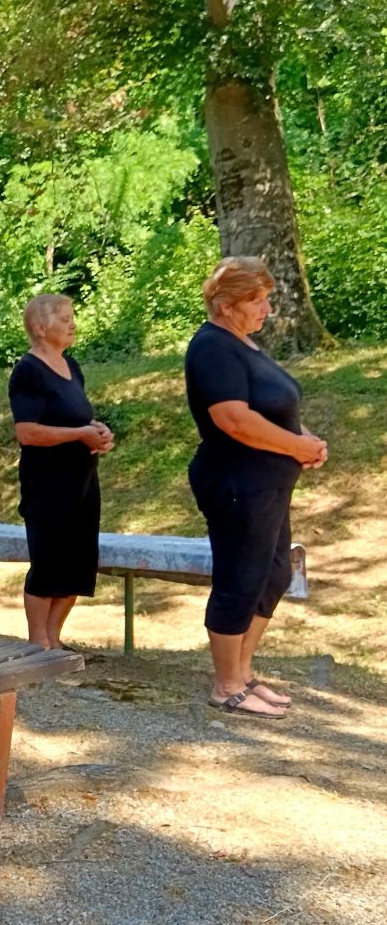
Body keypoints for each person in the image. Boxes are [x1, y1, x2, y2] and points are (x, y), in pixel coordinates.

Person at [185, 257, 326, 719]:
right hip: (236, 482)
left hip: (267, 484)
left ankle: (243, 674)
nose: (267, 308)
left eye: (267, 298)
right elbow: (234, 419)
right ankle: (225, 684)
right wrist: (296, 446)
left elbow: (272, 409)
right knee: (240, 579)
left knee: (274, 575)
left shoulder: (244, 344)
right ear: (226, 305)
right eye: (257, 300)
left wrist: (306, 442)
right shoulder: (213, 347)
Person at [8, 294, 114, 649]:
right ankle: (38, 642)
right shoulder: (28, 371)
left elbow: (78, 419)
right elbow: (27, 432)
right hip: (48, 483)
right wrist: (79, 434)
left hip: (82, 481)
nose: (72, 324)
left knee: (78, 563)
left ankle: (54, 637)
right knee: (49, 562)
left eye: (72, 317)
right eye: (64, 318)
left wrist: (97, 432)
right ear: (40, 327)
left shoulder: (72, 365)